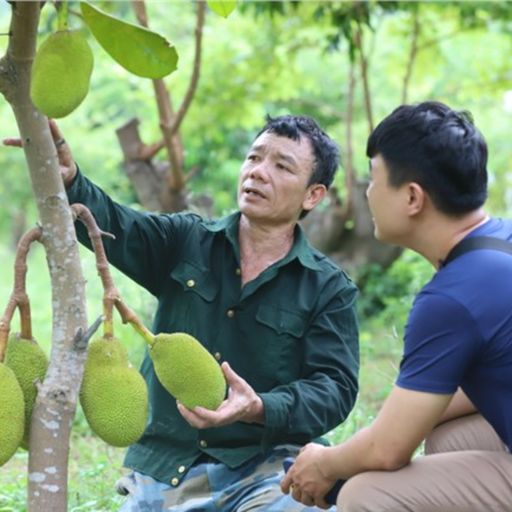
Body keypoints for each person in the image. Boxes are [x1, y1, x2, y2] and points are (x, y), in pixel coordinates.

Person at [6, 115, 359, 511]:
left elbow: (335, 389)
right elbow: (118, 226)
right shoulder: (186, 240)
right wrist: (71, 180)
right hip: (167, 470)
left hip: (266, 468)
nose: (259, 172)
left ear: (313, 195)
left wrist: (259, 407)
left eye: (281, 166)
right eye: (254, 157)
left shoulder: (329, 288)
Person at [281, 101, 512, 511]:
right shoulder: (502, 242)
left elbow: (389, 450)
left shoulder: (452, 298)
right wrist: (384, 431)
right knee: (447, 435)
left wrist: (327, 462)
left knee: (365, 494)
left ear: (412, 198)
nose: (368, 194)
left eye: (373, 180)